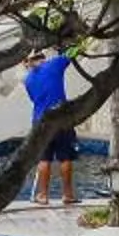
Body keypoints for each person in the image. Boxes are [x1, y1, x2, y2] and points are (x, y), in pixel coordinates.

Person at [24, 43, 78, 206]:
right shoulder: (54, 64)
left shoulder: (28, 80)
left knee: (44, 159)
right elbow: (73, 51)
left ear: (28, 62)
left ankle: (43, 195)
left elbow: (34, 99)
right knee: (65, 158)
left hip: (40, 121)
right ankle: (68, 195)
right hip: (61, 119)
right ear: (43, 58)